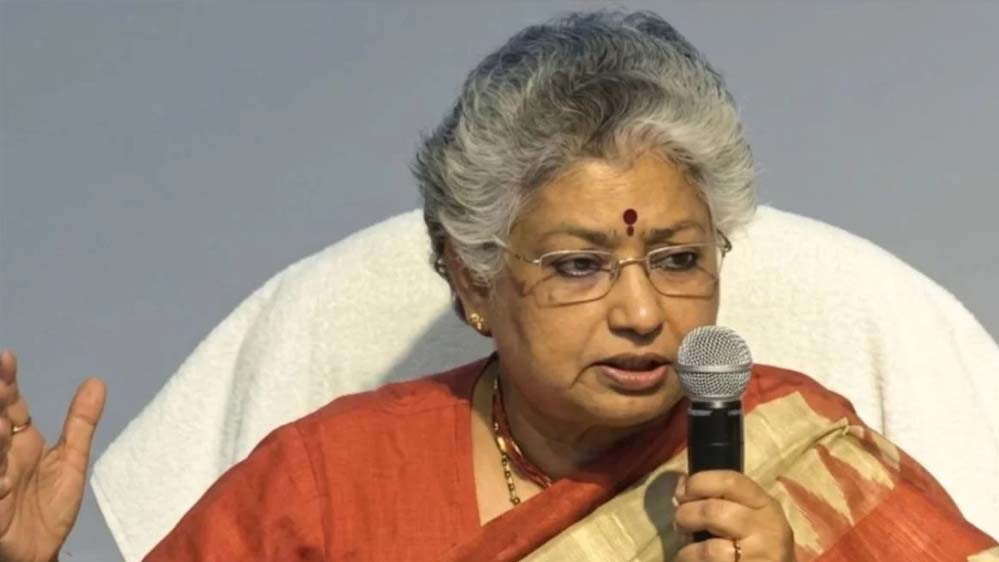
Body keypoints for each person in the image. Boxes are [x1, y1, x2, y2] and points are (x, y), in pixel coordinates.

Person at [1, 10, 996, 562]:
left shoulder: (805, 454)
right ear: (471, 278)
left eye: (678, 259)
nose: (643, 312)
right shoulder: (325, 489)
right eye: (579, 265)